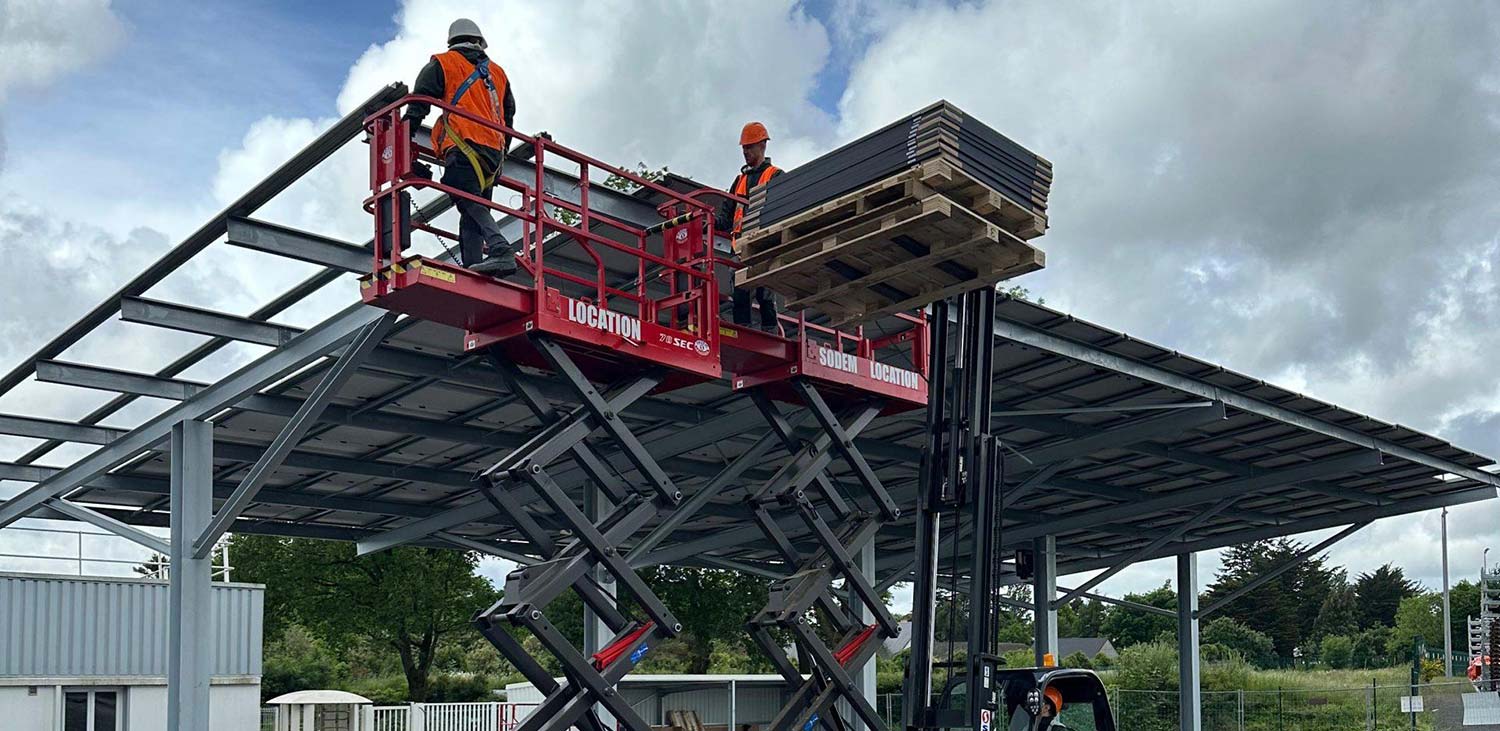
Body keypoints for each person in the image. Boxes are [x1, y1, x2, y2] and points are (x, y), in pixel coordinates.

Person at [404, 18, 517, 275]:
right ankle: (474, 267)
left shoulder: (443, 64)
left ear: (452, 42)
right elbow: (508, 116)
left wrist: (403, 140)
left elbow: (418, 104)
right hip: (493, 153)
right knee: (473, 209)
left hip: (464, 144)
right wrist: (502, 153)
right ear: (479, 42)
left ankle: (500, 250)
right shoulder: (499, 74)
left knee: (465, 198)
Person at [715, 121, 783, 333]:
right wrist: (704, 221)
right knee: (740, 292)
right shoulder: (739, 181)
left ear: (763, 145)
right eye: (744, 148)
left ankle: (769, 333)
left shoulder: (775, 175)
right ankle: (742, 331)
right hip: (739, 248)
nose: (745, 152)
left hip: (764, 245)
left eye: (750, 147)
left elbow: (782, 209)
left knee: (765, 292)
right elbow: (725, 219)